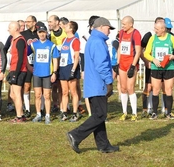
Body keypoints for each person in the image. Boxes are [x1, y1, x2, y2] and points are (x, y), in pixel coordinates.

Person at [67, 17, 119, 154]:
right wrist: (109, 82)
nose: (109, 32)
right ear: (101, 27)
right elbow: (101, 65)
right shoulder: (98, 42)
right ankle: (76, 135)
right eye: (108, 28)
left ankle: (103, 145)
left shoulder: (93, 40)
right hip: (98, 84)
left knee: (98, 115)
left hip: (93, 84)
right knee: (100, 115)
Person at [143, 19, 174, 120]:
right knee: (155, 89)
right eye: (155, 28)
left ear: (163, 29)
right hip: (156, 68)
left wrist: (172, 56)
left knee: (168, 89)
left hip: (169, 67)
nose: (155, 30)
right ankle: (154, 113)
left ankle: (168, 112)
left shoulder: (171, 38)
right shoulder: (152, 38)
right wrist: (153, 59)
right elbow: (146, 53)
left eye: (157, 29)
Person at [30, 25, 59, 124]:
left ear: (46, 33)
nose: (42, 34)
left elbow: (55, 60)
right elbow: (26, 54)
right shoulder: (34, 45)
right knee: (37, 95)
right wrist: (29, 67)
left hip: (47, 73)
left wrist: (54, 73)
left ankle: (47, 115)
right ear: (37, 33)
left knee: (47, 95)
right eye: (40, 32)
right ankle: (38, 114)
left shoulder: (51, 45)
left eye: (43, 32)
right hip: (37, 73)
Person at [117, 16, 141, 121]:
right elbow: (120, 47)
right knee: (123, 88)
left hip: (131, 63)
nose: (123, 26)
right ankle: (124, 112)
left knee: (130, 88)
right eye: (122, 24)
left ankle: (134, 113)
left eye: (124, 24)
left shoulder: (136, 34)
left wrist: (133, 66)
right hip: (122, 64)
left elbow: (138, 50)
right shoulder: (122, 33)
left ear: (131, 24)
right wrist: (117, 62)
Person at [59, 21, 81, 122]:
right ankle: (64, 112)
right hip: (63, 67)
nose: (64, 27)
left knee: (73, 91)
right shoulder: (64, 40)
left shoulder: (75, 40)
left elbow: (76, 57)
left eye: (67, 26)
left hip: (71, 66)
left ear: (71, 29)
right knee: (64, 91)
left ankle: (75, 112)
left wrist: (73, 69)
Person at [7, 21, 28, 122]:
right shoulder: (13, 40)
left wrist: (16, 73)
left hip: (18, 70)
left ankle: (19, 116)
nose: (8, 30)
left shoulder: (20, 40)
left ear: (15, 29)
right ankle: (21, 113)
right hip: (13, 69)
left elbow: (20, 58)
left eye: (10, 28)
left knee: (17, 93)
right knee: (12, 95)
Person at [21, 15, 41, 118]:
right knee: (27, 86)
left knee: (39, 88)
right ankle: (27, 109)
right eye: (26, 21)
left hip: (40, 64)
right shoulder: (23, 34)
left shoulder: (40, 33)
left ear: (34, 22)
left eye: (28, 21)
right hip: (28, 64)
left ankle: (41, 108)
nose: (26, 23)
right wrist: (27, 65)